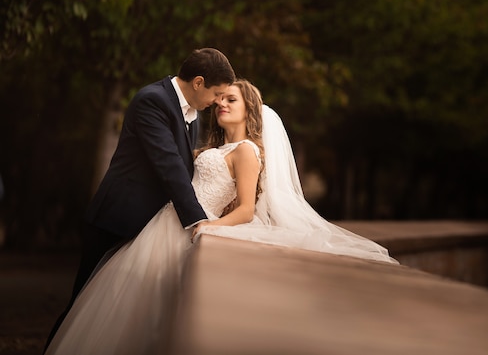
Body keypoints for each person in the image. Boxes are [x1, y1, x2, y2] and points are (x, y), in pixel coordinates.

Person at [44, 79, 398, 355]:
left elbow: (245, 209)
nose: (221, 105)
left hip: (191, 226)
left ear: (250, 110)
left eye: (231, 100)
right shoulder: (212, 145)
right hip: (164, 222)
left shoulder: (246, 151)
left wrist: (208, 225)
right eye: (220, 99)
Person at [44, 47, 236, 351]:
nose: (217, 102)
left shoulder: (193, 114)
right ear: (198, 82)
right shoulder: (153, 100)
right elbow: (169, 165)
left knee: (117, 312)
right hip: (118, 220)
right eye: (216, 93)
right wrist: (200, 219)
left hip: (150, 228)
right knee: (83, 308)